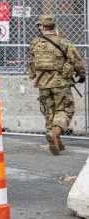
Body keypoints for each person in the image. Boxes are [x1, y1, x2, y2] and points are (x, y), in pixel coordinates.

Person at [27, 15, 86, 155]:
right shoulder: (64, 42)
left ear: (42, 27)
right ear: (54, 26)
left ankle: (56, 140)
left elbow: (31, 62)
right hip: (61, 83)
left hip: (42, 84)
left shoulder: (35, 43)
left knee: (49, 112)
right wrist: (81, 75)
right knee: (66, 110)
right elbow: (77, 61)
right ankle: (54, 133)